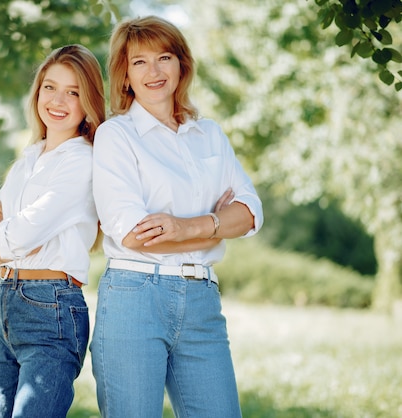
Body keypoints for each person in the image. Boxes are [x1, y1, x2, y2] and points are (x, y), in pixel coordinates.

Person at [90, 16, 264, 418]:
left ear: (182, 65)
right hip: (134, 297)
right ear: (125, 74)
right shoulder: (116, 136)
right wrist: (218, 227)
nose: (154, 72)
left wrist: (186, 227)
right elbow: (134, 234)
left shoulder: (209, 135)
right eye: (139, 62)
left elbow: (252, 212)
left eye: (164, 57)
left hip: (202, 300)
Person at [0, 44, 105, 418]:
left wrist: (0, 235)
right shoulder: (28, 158)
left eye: (73, 91)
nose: (58, 100)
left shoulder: (82, 161)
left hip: (51, 310)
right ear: (37, 92)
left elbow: (18, 236)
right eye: (50, 87)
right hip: (5, 306)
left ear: (88, 102)